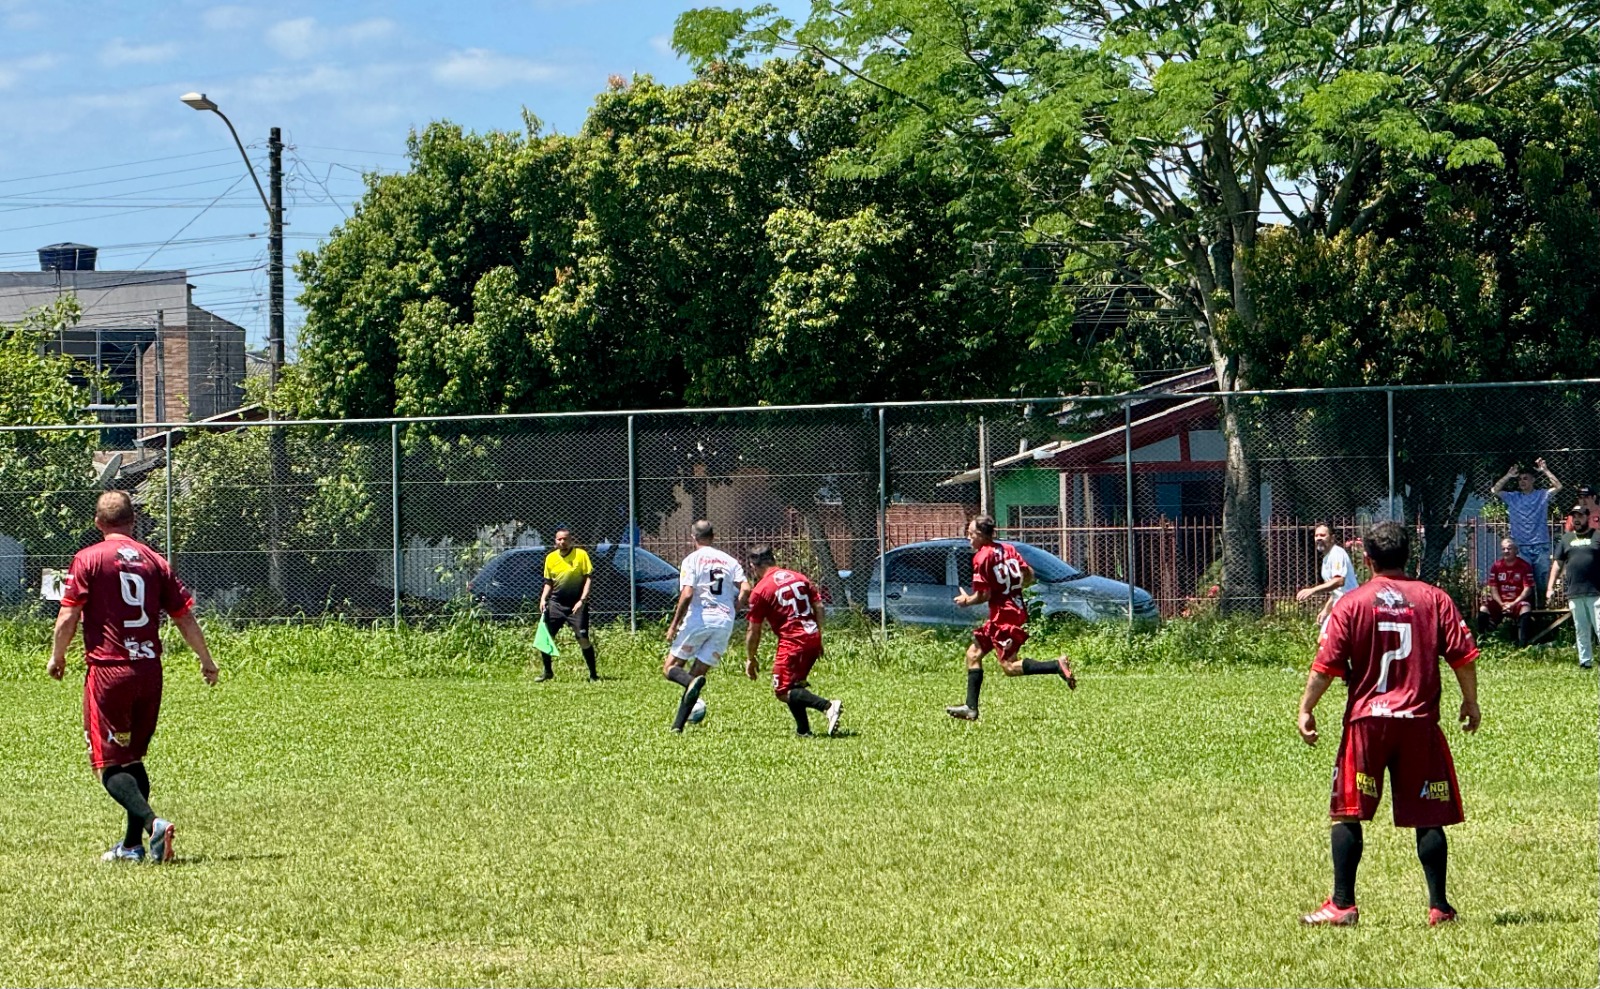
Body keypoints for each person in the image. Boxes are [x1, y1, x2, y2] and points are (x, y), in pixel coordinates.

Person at [1297, 521, 1480, 927]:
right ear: (1409, 555)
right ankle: (1439, 907)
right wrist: (1470, 701)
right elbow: (1463, 657)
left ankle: (1342, 904)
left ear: (1367, 559)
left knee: (1348, 812)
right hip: (1418, 723)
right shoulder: (1434, 599)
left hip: (1367, 723)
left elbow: (1325, 667)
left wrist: (1306, 707)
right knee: (1428, 814)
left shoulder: (1352, 604)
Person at [46, 490, 220, 863]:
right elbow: (184, 616)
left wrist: (57, 656)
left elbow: (68, 615)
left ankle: (152, 824)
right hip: (148, 670)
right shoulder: (155, 560)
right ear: (133, 521)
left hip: (109, 670)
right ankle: (132, 846)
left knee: (108, 765)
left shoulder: (88, 558)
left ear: (97, 523)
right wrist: (206, 660)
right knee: (132, 758)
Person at [945, 515, 1075, 722]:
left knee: (1009, 667)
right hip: (1012, 609)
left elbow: (984, 595)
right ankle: (970, 707)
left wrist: (966, 600)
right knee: (973, 654)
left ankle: (1055, 665)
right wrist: (1013, 589)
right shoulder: (1008, 549)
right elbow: (1029, 573)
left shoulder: (981, 558)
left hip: (1004, 617)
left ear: (980, 535)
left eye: (970, 534)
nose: (968, 538)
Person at [744, 545, 842, 737]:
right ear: (773, 560)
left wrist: (751, 657)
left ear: (753, 566)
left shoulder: (760, 590)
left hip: (793, 642)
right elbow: (819, 606)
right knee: (794, 684)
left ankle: (828, 706)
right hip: (812, 635)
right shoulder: (799, 577)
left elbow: (753, 630)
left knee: (782, 690)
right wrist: (818, 635)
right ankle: (803, 730)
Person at [662, 520, 750, 732]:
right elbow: (746, 589)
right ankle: (677, 726)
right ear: (714, 536)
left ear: (693, 537)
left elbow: (688, 593)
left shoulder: (691, 560)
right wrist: (734, 608)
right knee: (697, 674)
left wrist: (674, 624)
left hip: (699, 619)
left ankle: (689, 688)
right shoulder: (729, 560)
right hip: (724, 622)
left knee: (670, 668)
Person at [1493, 459, 1563, 604]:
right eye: (1519, 479)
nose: (1522, 481)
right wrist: (1508, 475)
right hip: (1521, 547)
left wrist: (1545, 470)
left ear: (1533, 480)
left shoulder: (1541, 495)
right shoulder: (1513, 497)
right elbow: (1495, 490)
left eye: (1525, 478)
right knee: (1525, 584)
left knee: (1542, 582)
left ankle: (1543, 613)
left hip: (1540, 545)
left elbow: (1558, 486)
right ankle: (1527, 613)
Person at [536, 526, 598, 681]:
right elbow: (548, 582)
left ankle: (593, 675)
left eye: (565, 539)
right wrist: (543, 599)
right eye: (559, 539)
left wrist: (582, 601)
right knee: (547, 637)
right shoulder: (550, 558)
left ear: (571, 541)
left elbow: (588, 579)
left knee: (582, 637)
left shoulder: (581, 555)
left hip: (576, 604)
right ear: (555, 541)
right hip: (556, 604)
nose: (562, 542)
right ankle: (548, 672)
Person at [1548, 505, 1600, 669]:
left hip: (1596, 592)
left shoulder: (1597, 536)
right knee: (1581, 629)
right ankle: (1585, 662)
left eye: (1580, 516)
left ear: (1587, 517)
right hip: (1575, 592)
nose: (1576, 519)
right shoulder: (1566, 539)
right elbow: (1557, 564)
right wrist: (1550, 587)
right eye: (1574, 516)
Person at [1296, 523, 1359, 626]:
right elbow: (1336, 592)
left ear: (1332, 538)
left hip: (1350, 604)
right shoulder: (1327, 558)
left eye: (1322, 535)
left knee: (1327, 638)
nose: (1318, 538)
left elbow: (1339, 581)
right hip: (1340, 603)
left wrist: (1312, 590)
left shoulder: (1337, 553)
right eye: (1316, 536)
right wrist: (1326, 610)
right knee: (1324, 637)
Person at [1478, 538, 1534, 647]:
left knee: (1526, 608)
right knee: (1483, 608)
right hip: (1501, 602)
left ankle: (1523, 645)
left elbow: (1528, 589)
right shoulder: (1496, 566)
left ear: (1516, 551)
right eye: (1503, 549)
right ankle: (1482, 642)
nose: (1506, 551)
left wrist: (1513, 603)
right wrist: (1501, 603)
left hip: (1517, 601)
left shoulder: (1524, 566)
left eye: (1509, 549)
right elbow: (1493, 588)